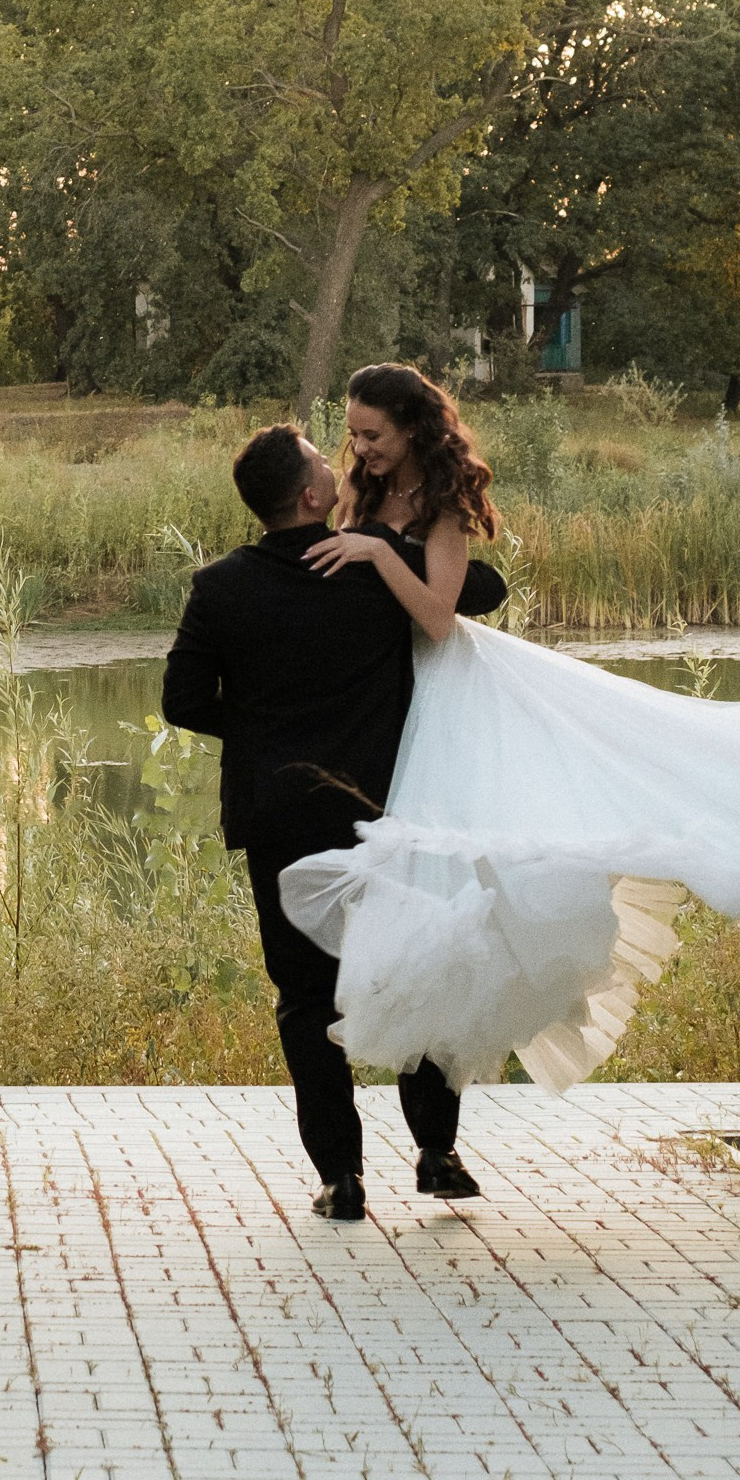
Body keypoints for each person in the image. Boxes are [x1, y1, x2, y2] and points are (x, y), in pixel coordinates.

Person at [279, 361, 740, 1098]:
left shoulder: (442, 505)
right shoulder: (364, 492)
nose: (360, 449)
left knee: (505, 847)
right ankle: (430, 1083)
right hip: (393, 694)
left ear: (413, 428)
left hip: (458, 688)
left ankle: (441, 1119)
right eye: (354, 435)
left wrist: (375, 550)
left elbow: (435, 614)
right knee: (430, 881)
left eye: (374, 434)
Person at [161, 417, 508, 1223]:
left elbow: (180, 702)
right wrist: (394, 547)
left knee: (306, 998)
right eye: (328, 459)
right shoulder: (368, 577)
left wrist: (262, 732)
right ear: (315, 496)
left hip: (279, 816)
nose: (343, 460)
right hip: (382, 811)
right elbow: (481, 593)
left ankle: (340, 1178)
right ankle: (435, 1152)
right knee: (417, 967)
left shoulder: (218, 587)